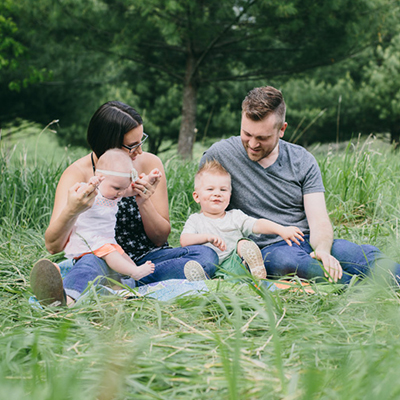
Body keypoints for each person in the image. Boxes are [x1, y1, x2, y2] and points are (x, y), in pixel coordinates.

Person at [200, 85, 400, 284]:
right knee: (289, 262)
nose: (252, 144)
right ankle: (363, 291)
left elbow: (319, 220)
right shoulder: (218, 156)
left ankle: (390, 279)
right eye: (247, 134)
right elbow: (209, 215)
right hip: (270, 249)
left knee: (360, 255)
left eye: (262, 138)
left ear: (282, 130)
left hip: (308, 240)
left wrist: (322, 250)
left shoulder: (302, 160)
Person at [31, 101, 218, 307]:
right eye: (132, 146)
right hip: (103, 260)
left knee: (205, 255)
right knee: (90, 264)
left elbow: (160, 238)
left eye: (141, 141)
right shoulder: (77, 174)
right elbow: (53, 246)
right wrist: (72, 211)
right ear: (107, 145)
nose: (139, 151)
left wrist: (143, 200)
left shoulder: (150, 163)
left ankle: (117, 286)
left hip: (149, 259)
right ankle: (76, 296)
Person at [180, 160, 304, 280]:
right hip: (209, 264)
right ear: (197, 197)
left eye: (223, 190)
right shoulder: (195, 220)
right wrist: (207, 237)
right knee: (200, 264)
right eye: (210, 189)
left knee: (243, 243)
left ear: (230, 195)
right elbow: (184, 240)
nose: (217, 193)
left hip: (233, 262)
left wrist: (281, 229)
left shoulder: (235, 216)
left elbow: (257, 224)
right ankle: (205, 280)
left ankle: (252, 268)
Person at [64, 148, 159, 280]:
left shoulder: (116, 192)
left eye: (123, 188)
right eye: (117, 188)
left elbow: (133, 189)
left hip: (107, 240)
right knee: (111, 255)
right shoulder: (94, 192)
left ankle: (134, 276)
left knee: (124, 257)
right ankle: (134, 271)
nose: (121, 193)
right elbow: (80, 192)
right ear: (100, 178)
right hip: (89, 239)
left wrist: (149, 179)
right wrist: (91, 184)